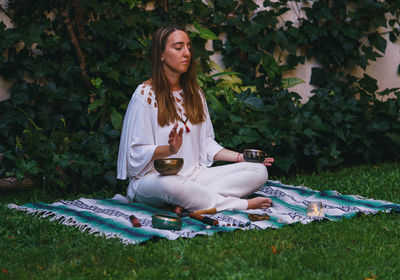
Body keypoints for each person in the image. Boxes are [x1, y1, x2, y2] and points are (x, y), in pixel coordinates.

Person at [117, 25, 274, 212]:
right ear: (161, 54)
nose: (187, 53)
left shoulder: (195, 93)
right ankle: (238, 204)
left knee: (258, 171)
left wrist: (241, 158)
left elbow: (207, 143)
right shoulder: (145, 95)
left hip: (195, 176)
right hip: (154, 180)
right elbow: (135, 153)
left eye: (189, 47)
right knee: (172, 185)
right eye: (178, 47)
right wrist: (169, 149)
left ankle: (185, 202)